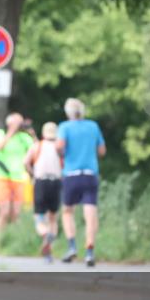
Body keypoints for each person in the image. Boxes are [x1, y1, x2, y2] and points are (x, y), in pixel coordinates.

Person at [56, 98, 106, 267]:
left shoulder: (64, 127)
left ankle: (72, 246)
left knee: (68, 211)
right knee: (90, 211)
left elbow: (60, 146)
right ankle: (90, 249)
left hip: (71, 174)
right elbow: (102, 150)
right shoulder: (93, 126)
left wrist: (62, 152)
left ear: (68, 112)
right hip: (91, 174)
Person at [24, 121, 63, 262]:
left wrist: (32, 173)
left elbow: (26, 162)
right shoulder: (60, 148)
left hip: (41, 182)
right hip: (56, 182)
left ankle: (45, 234)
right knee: (53, 217)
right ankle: (49, 248)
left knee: (39, 217)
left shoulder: (37, 146)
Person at [0, 112, 35, 230]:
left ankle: (14, 239)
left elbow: (36, 149)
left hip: (19, 177)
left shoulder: (23, 137)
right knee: (4, 211)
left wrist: (31, 133)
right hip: (1, 176)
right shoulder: (0, 133)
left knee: (17, 213)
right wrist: (12, 130)